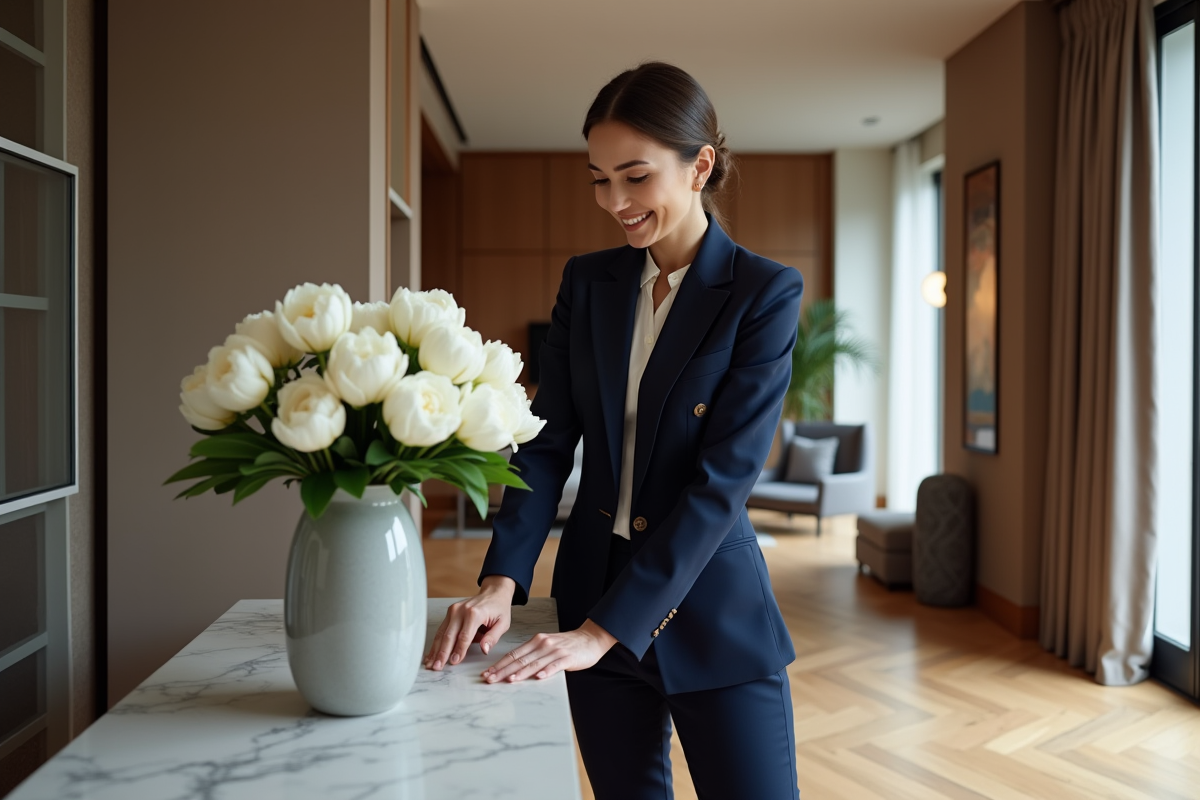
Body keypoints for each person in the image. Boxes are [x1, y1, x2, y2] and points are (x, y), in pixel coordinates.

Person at [425, 61, 803, 799]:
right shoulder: (588, 282)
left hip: (710, 612)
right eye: (599, 179)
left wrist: (607, 630)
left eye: (635, 177)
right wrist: (502, 580)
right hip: (589, 594)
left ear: (699, 166)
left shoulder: (763, 292)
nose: (615, 202)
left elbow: (721, 484)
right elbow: (545, 440)